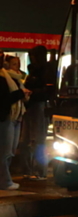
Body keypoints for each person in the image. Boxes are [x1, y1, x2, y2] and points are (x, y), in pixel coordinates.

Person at [22, 46, 52, 180]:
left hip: (37, 104)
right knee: (33, 139)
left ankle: (38, 170)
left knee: (37, 139)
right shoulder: (38, 69)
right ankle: (34, 170)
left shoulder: (43, 70)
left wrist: (32, 92)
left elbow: (47, 90)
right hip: (34, 104)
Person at [0, 65, 30, 190]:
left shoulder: (15, 78)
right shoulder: (2, 78)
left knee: (10, 151)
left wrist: (24, 94)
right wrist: (20, 93)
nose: (15, 67)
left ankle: (6, 180)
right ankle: (5, 181)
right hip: (6, 117)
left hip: (16, 116)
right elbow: (4, 99)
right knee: (5, 152)